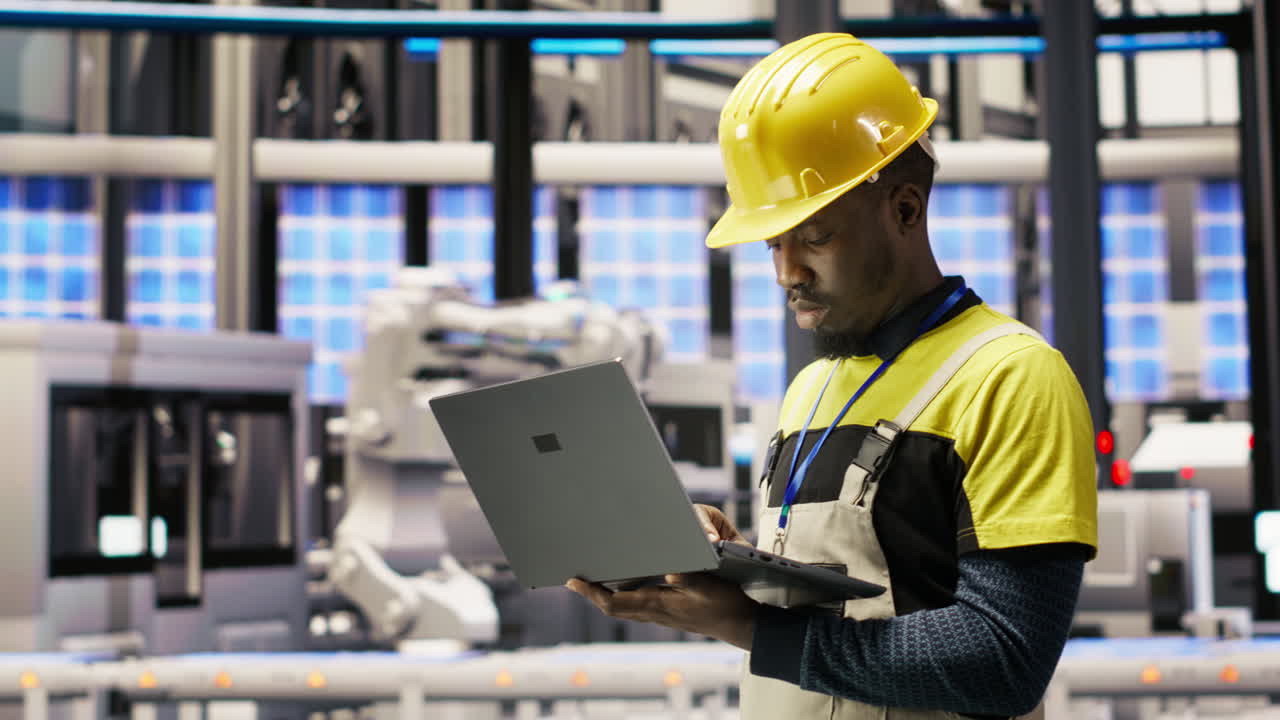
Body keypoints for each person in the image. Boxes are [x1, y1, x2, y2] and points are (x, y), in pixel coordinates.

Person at [566, 32, 1097, 719]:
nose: (787, 271)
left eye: (814, 236)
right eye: (773, 242)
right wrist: (726, 568)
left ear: (905, 209)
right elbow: (848, 601)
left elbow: (1004, 659)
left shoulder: (1011, 378)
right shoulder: (810, 390)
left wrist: (750, 627)